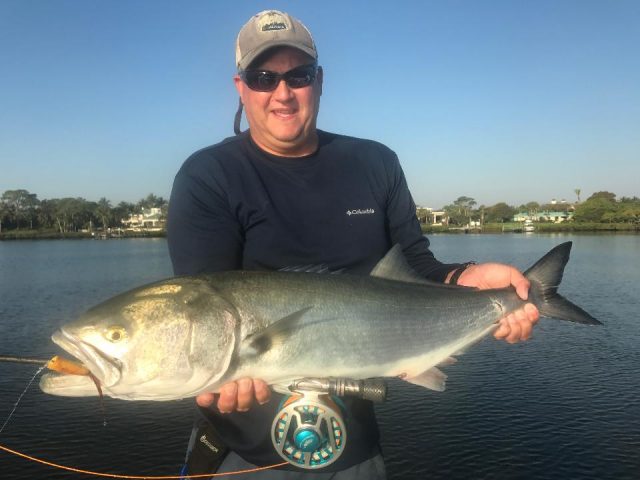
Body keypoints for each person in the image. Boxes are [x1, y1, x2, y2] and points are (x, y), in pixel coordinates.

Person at [167, 9, 539, 480]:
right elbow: (202, 308)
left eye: (297, 76)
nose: (282, 93)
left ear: (319, 81)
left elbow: (416, 268)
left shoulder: (375, 162)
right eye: (263, 78)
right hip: (243, 455)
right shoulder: (209, 176)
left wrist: (467, 278)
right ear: (240, 87)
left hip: (356, 448)